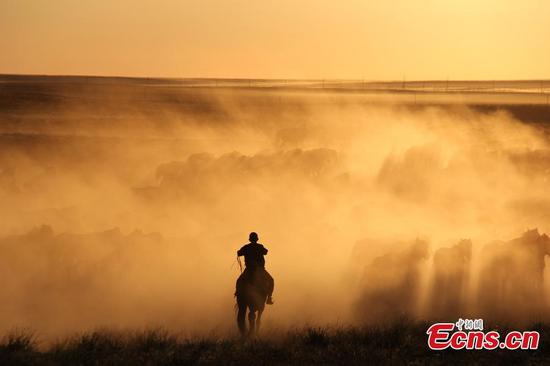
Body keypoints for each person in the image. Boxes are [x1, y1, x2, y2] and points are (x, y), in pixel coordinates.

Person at [236, 232, 275, 304]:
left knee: (239, 281)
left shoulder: (246, 247)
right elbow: (266, 252)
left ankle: (238, 293)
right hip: (260, 270)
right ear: (257, 239)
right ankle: (269, 298)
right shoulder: (260, 246)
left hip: (249, 270)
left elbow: (239, 253)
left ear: (250, 239)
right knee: (271, 280)